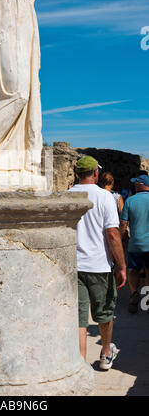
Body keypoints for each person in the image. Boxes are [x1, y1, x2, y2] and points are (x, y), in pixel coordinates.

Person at [69, 156, 126, 370]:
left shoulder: (65, 196)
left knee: (79, 318)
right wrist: (121, 265)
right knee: (104, 313)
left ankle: (80, 364)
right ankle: (105, 353)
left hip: (73, 266)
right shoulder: (104, 197)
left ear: (76, 173)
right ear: (95, 173)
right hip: (99, 266)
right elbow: (112, 234)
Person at [120, 174, 149, 313]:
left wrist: (121, 239)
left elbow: (123, 224)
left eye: (136, 183)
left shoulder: (130, 201)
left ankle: (134, 293)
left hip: (136, 243)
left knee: (133, 270)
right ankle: (147, 295)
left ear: (139, 185)